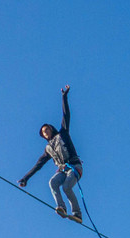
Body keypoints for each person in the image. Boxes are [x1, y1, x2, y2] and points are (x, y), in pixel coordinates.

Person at [18, 85, 83, 222]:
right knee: (53, 182)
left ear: (51, 129)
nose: (45, 132)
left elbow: (66, 115)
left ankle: (77, 214)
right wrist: (26, 178)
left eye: (46, 129)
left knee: (66, 187)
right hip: (63, 171)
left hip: (74, 167)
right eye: (43, 132)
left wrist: (64, 97)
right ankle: (62, 208)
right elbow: (38, 165)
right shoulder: (48, 149)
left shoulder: (63, 134)